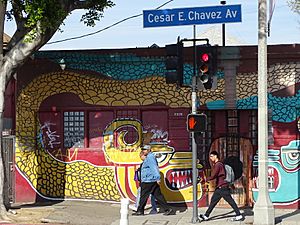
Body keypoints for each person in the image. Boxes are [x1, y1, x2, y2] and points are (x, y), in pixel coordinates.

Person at [199, 151, 243, 222]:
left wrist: (205, 179)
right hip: (220, 187)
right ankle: (206, 216)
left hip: (223, 187)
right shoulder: (220, 164)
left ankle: (239, 215)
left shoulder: (218, 165)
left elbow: (213, 175)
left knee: (231, 201)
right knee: (213, 201)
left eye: (211, 156)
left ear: (216, 156)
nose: (210, 158)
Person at [132, 145, 174, 216]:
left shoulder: (150, 157)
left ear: (149, 150)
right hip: (151, 180)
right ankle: (168, 209)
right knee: (158, 196)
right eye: (143, 150)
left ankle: (140, 210)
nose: (143, 151)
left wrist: (157, 178)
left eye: (145, 150)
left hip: (148, 180)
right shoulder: (149, 157)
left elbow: (154, 168)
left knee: (143, 196)